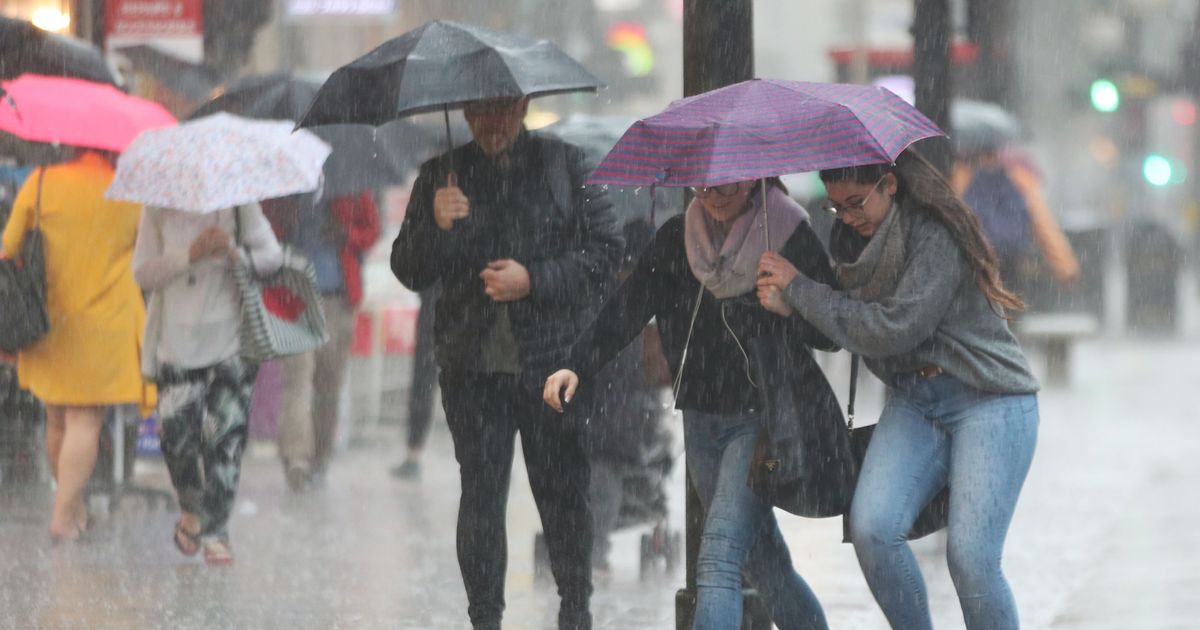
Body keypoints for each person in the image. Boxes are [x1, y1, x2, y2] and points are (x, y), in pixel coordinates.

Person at [756, 150, 1040, 630]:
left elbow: (894, 328)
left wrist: (799, 290)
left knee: (970, 558)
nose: (846, 216)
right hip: (917, 402)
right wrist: (790, 308)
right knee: (872, 529)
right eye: (836, 206)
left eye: (856, 202)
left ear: (890, 185)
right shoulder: (851, 244)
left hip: (990, 399)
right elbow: (840, 325)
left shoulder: (936, 235)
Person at [545, 178, 837, 630]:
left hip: (762, 421)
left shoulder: (786, 233)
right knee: (765, 562)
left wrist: (791, 299)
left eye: (727, 187)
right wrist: (576, 365)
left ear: (754, 177)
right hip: (701, 418)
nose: (714, 197)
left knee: (718, 557)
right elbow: (629, 305)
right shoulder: (678, 239)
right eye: (704, 187)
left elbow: (832, 332)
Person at [390, 96, 623, 630]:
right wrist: (434, 223)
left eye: (500, 111)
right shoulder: (441, 176)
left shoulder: (565, 165)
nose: (488, 125)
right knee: (480, 495)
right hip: (471, 367)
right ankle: (484, 619)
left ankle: (575, 610)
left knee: (563, 491)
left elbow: (605, 252)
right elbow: (409, 268)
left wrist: (534, 280)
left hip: (551, 363)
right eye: (477, 113)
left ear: (522, 107)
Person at [1, 149, 154, 542]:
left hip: (51, 318)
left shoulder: (41, 183)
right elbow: (147, 256)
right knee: (85, 419)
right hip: (106, 321)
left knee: (56, 418)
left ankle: (73, 507)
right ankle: (64, 514)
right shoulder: (129, 191)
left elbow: (8, 247)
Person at [133, 202, 282, 565]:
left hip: (230, 344)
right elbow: (143, 273)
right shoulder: (157, 206)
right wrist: (190, 254)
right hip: (175, 344)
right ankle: (191, 509)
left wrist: (236, 255)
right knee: (177, 436)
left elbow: (272, 257)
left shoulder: (238, 203)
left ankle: (216, 529)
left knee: (224, 438)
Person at [263, 190, 381, 491]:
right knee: (297, 381)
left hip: (336, 299)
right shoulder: (286, 187)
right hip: (294, 296)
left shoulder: (351, 186)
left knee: (329, 386)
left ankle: (320, 457)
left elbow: (371, 231)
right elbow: (265, 234)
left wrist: (346, 234)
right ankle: (296, 459)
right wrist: (285, 223)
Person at [951, 147, 1079, 298]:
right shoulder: (1018, 172)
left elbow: (951, 216)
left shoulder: (960, 173)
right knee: (1010, 308)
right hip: (1012, 259)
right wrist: (1065, 267)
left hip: (975, 260)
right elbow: (1043, 223)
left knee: (978, 312)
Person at [389, 282, 440, 481]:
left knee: (424, 384)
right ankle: (413, 453)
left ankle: (414, 453)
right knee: (424, 384)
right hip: (442, 310)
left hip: (439, 309)